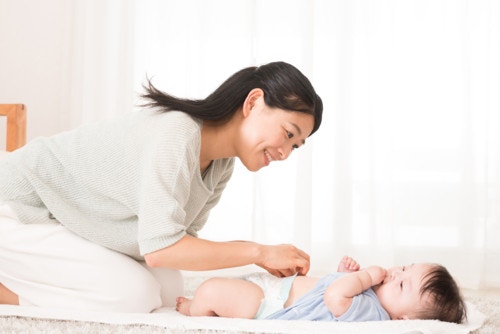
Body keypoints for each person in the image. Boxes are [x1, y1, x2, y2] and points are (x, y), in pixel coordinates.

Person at [0, 61, 323, 313]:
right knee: (131, 295)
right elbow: (160, 250)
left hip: (65, 219)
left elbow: (179, 243)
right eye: (288, 133)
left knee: (169, 289)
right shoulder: (177, 133)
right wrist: (260, 253)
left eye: (295, 146)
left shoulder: (222, 164)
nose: (284, 153)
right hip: (19, 206)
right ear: (253, 102)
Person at [176, 256, 467, 323]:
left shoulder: (375, 318)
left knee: (211, 290)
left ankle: (194, 311)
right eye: (404, 268)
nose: (395, 274)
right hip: (281, 290)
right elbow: (336, 291)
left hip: (272, 307)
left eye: (402, 283)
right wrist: (346, 273)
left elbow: (335, 296)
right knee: (231, 285)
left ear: (407, 321)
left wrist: (365, 276)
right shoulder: (373, 298)